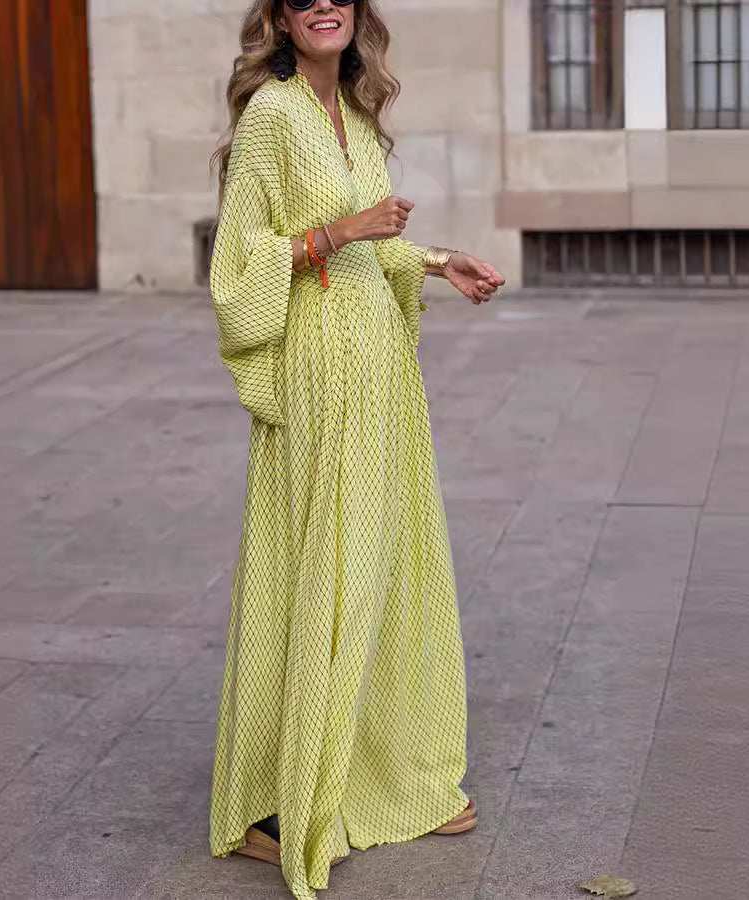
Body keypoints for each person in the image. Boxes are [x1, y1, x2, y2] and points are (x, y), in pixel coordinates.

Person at [207, 1, 505, 897]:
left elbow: (378, 241)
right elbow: (238, 265)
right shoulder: (272, 115)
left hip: (377, 370)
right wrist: (341, 231)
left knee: (387, 564)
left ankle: (391, 777)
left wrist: (437, 260)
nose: (324, 5)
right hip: (317, 369)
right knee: (327, 569)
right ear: (285, 19)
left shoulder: (360, 114)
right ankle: (286, 804)